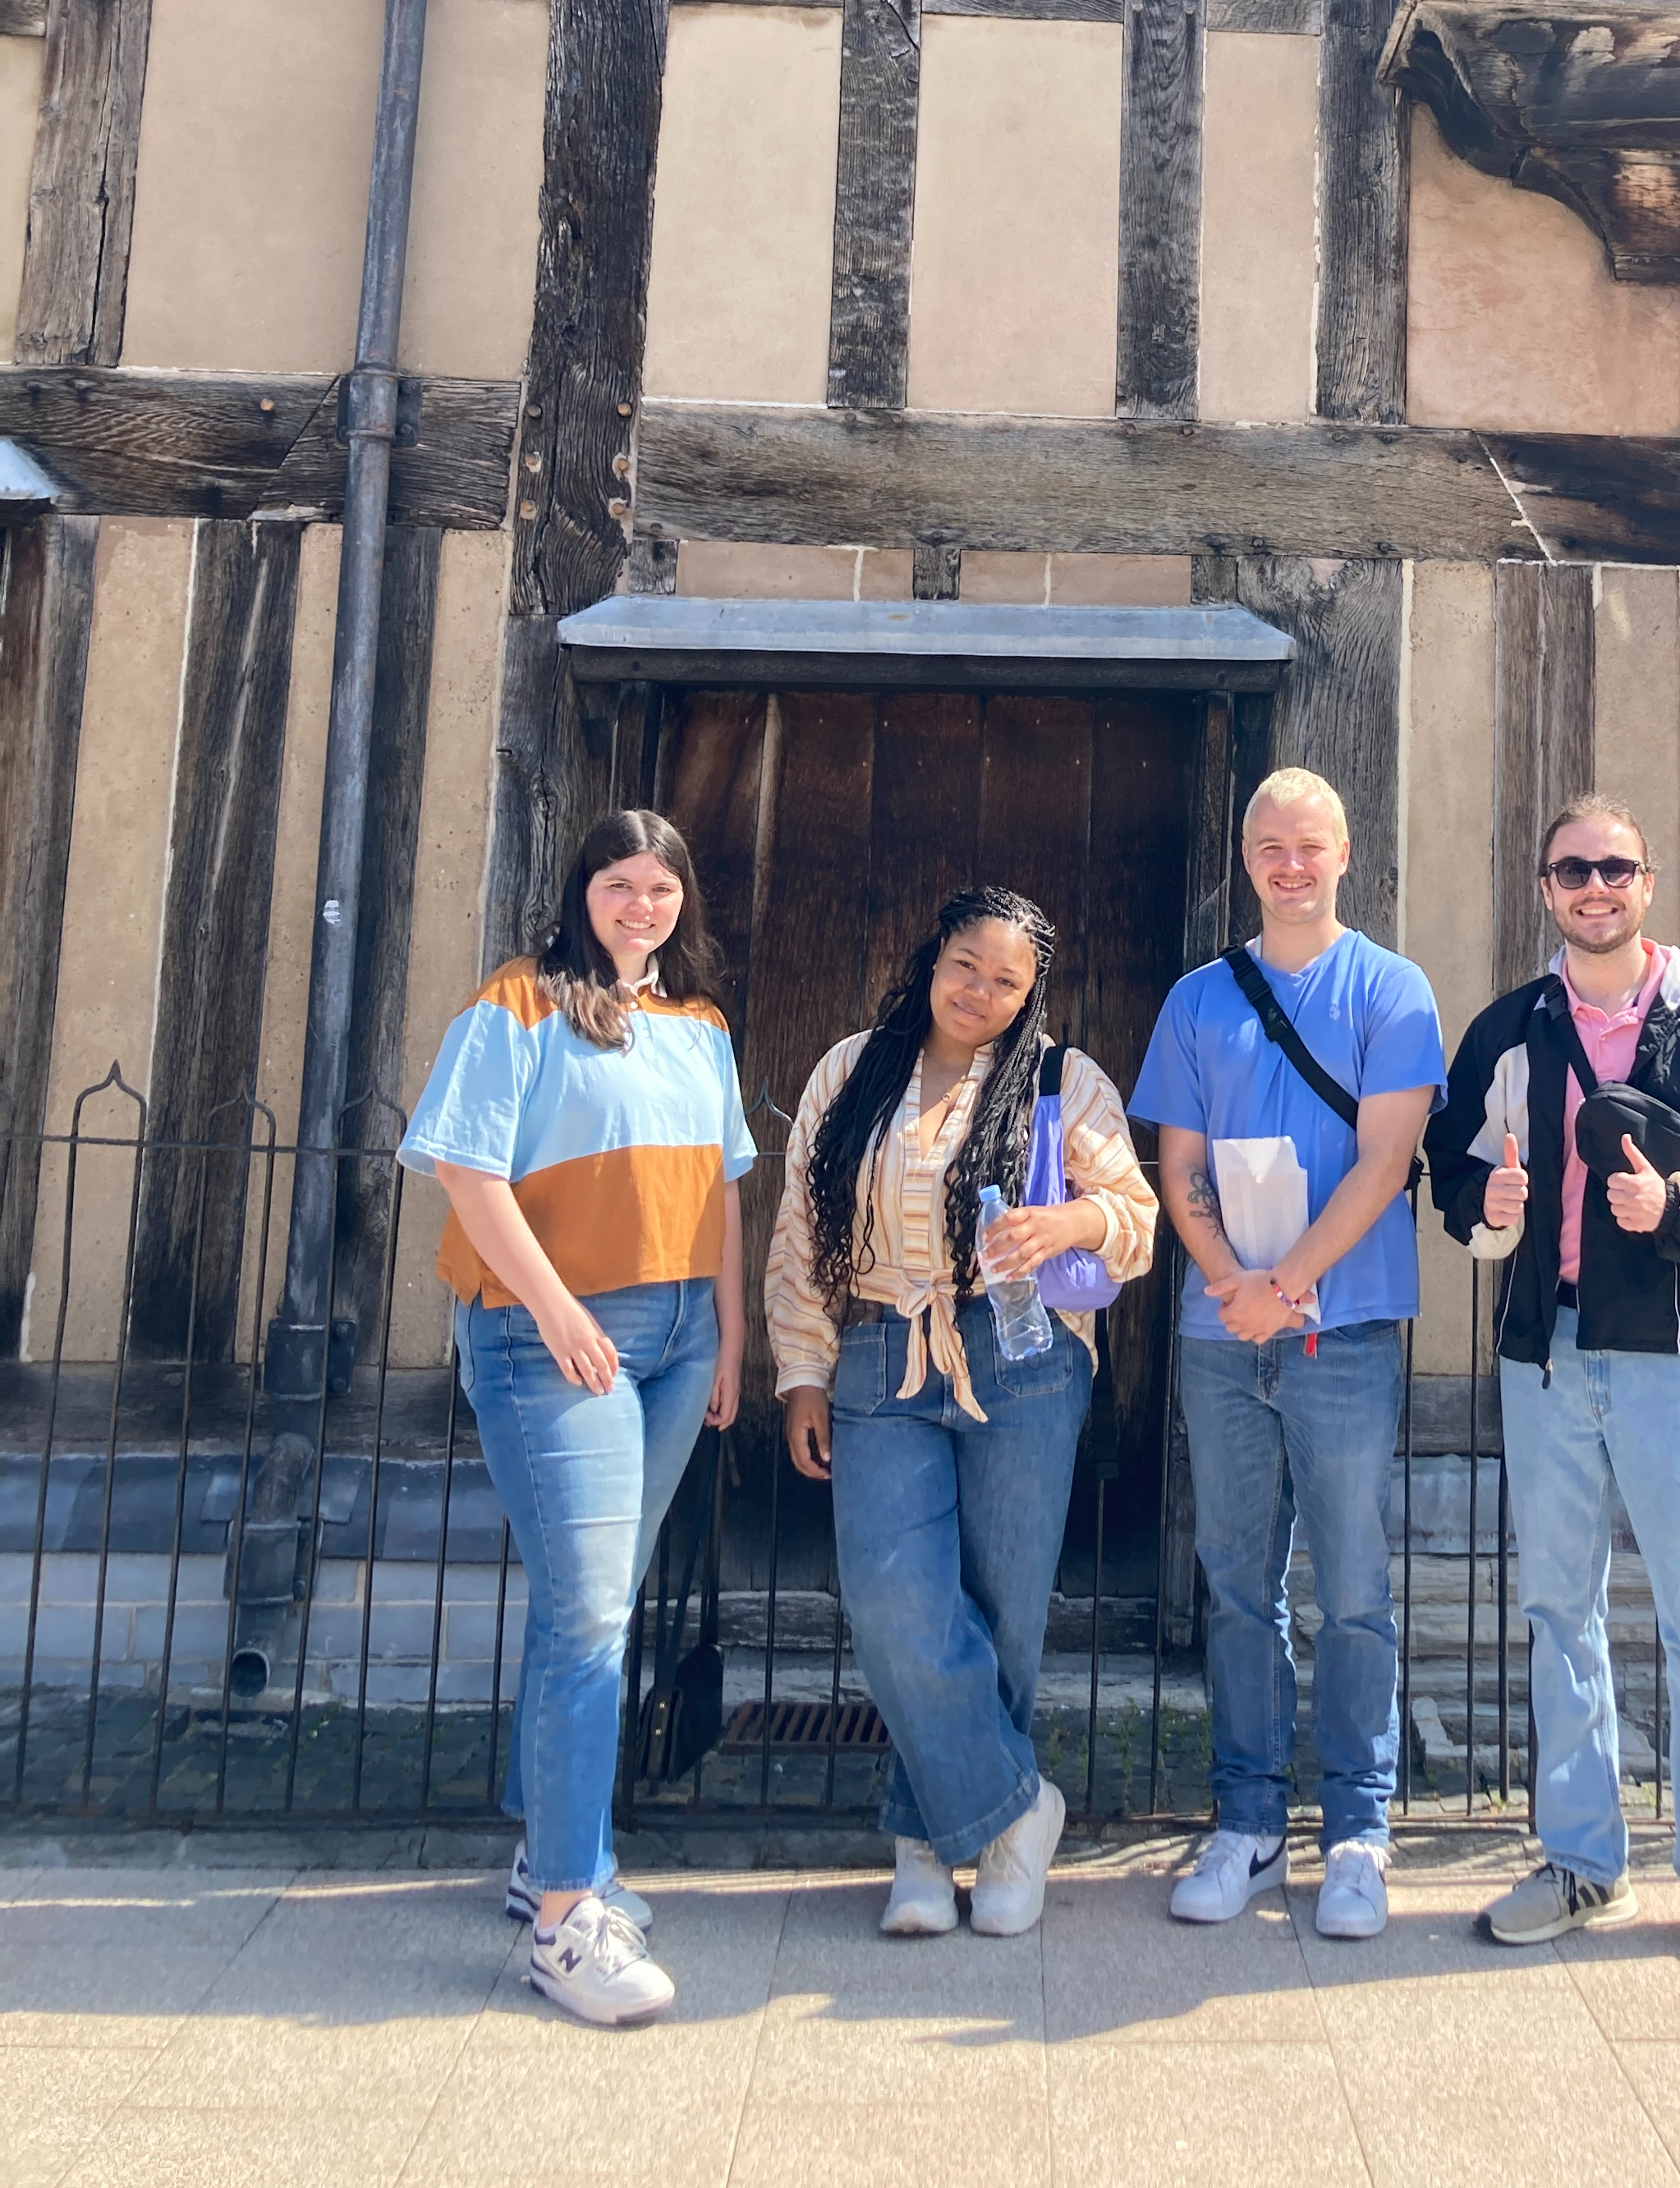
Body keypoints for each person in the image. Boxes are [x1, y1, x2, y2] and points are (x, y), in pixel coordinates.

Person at [1428, 793, 1680, 1980]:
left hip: (1675, 1361)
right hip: (1546, 1357)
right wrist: (1485, 1212)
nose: (1593, 888)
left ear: (1646, 884)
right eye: (1570, 871)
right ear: (1545, 891)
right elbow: (1454, 1168)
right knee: (1560, 1614)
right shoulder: (1510, 1029)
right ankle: (1582, 1860)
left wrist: (1675, 1211)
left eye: (1614, 869)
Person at [397, 809, 751, 2030]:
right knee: (594, 1614)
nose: (641, 906)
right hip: (555, 1338)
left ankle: (553, 1855)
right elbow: (466, 1171)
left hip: (672, 1339)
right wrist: (555, 1311)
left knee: (586, 1605)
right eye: (619, 885)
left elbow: (723, 1194)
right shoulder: (518, 1002)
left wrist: (729, 1339)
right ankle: (564, 1922)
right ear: (582, 892)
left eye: (661, 888)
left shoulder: (698, 1027)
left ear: (680, 902)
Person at [765, 886, 1156, 1941]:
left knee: (1002, 1609)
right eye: (965, 965)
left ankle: (928, 1849)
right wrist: (802, 1371)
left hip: (1022, 1357)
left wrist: (1064, 1217)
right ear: (932, 953)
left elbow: (1136, 1222)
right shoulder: (851, 1071)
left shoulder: (1061, 1083)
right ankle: (1019, 1812)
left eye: (1007, 980)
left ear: (1033, 993)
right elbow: (802, 1234)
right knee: (895, 1599)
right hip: (883, 1349)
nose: (980, 991)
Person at [1129, 767, 1445, 1940]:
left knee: (1355, 1588)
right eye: (1270, 843)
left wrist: (1292, 1284)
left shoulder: (1392, 989)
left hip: (1344, 1327)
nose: (1290, 863)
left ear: (1344, 853)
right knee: (1235, 1584)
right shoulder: (1200, 999)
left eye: (1310, 844)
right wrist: (1229, 1283)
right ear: (1247, 857)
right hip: (1224, 1332)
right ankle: (1250, 1820)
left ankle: (1360, 1828)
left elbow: (1385, 1158)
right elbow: (1179, 1166)